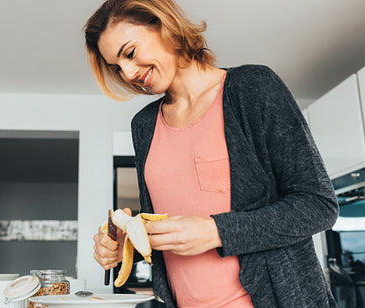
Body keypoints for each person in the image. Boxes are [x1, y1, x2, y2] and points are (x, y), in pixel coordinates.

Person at [84, 0, 339, 307]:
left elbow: (318, 205)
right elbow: (175, 227)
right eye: (116, 66)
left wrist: (216, 231)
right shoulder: (144, 125)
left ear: (165, 27)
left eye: (130, 53)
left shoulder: (251, 88)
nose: (127, 73)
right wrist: (129, 243)